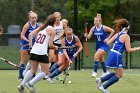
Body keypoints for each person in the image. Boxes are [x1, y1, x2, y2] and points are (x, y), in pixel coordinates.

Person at [96, 19, 140, 93]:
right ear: (128, 27)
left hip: (112, 53)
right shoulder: (126, 36)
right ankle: (104, 87)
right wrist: (137, 48)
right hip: (116, 55)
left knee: (119, 73)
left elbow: (108, 42)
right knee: (119, 75)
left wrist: (116, 45)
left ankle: (101, 80)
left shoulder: (117, 34)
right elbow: (129, 50)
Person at [17, 14, 57, 93]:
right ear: (54, 22)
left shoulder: (41, 27)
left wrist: (31, 47)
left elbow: (30, 35)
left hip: (34, 50)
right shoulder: (52, 30)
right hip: (41, 52)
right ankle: (30, 83)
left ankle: (22, 85)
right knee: (45, 72)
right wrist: (56, 48)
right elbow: (50, 45)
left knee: (33, 70)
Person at [18, 11, 39, 80]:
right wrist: (28, 41)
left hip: (32, 45)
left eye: (35, 18)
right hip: (24, 44)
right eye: (33, 18)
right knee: (23, 60)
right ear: (30, 19)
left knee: (34, 59)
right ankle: (20, 76)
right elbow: (22, 35)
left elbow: (36, 36)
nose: (34, 19)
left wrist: (36, 42)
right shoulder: (27, 25)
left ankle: (32, 74)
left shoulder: (37, 25)